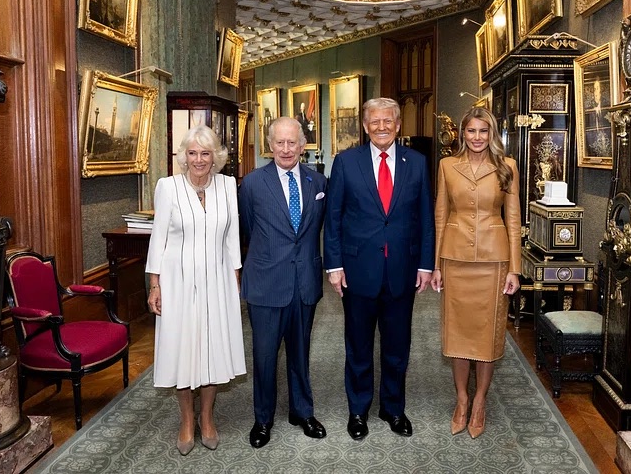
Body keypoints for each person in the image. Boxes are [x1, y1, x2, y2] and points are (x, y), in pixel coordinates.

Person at [324, 97, 434, 440]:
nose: (382, 127)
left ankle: (393, 407)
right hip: (358, 271)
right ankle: (358, 410)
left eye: (388, 121)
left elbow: (426, 218)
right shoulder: (346, 162)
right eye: (375, 121)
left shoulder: (417, 163)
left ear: (398, 125)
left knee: (397, 346)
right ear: (365, 126)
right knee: (358, 346)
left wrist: (426, 264)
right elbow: (333, 218)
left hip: (403, 269)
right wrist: (334, 265)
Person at [145, 124, 245, 455]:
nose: (199, 160)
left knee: (213, 348)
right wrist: (155, 284)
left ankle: (208, 417)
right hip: (177, 282)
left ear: (216, 157)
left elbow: (232, 238)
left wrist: (235, 278)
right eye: (192, 153)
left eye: (205, 153)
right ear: (183, 156)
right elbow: (158, 238)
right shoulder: (168, 187)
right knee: (183, 349)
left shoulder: (227, 186)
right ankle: (187, 420)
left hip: (218, 280)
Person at [430, 106, 521, 439]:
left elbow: (514, 219)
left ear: (491, 134)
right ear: (462, 133)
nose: (477, 137)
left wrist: (515, 269)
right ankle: (462, 399)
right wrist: (437, 264)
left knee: (486, 335)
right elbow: (440, 215)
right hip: (455, 259)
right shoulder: (447, 166)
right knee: (458, 335)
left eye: (484, 131)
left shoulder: (507, 167)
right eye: (471, 131)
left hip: (494, 262)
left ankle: (480, 400)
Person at [239, 117, 329, 448]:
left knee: (300, 352)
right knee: (264, 356)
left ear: (303, 145)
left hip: (304, 282)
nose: (286, 149)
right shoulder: (252, 184)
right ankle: (263, 419)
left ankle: (301, 412)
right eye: (280, 142)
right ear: (270, 145)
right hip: (266, 283)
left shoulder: (318, 182)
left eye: (293, 142)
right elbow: (248, 230)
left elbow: (319, 229)